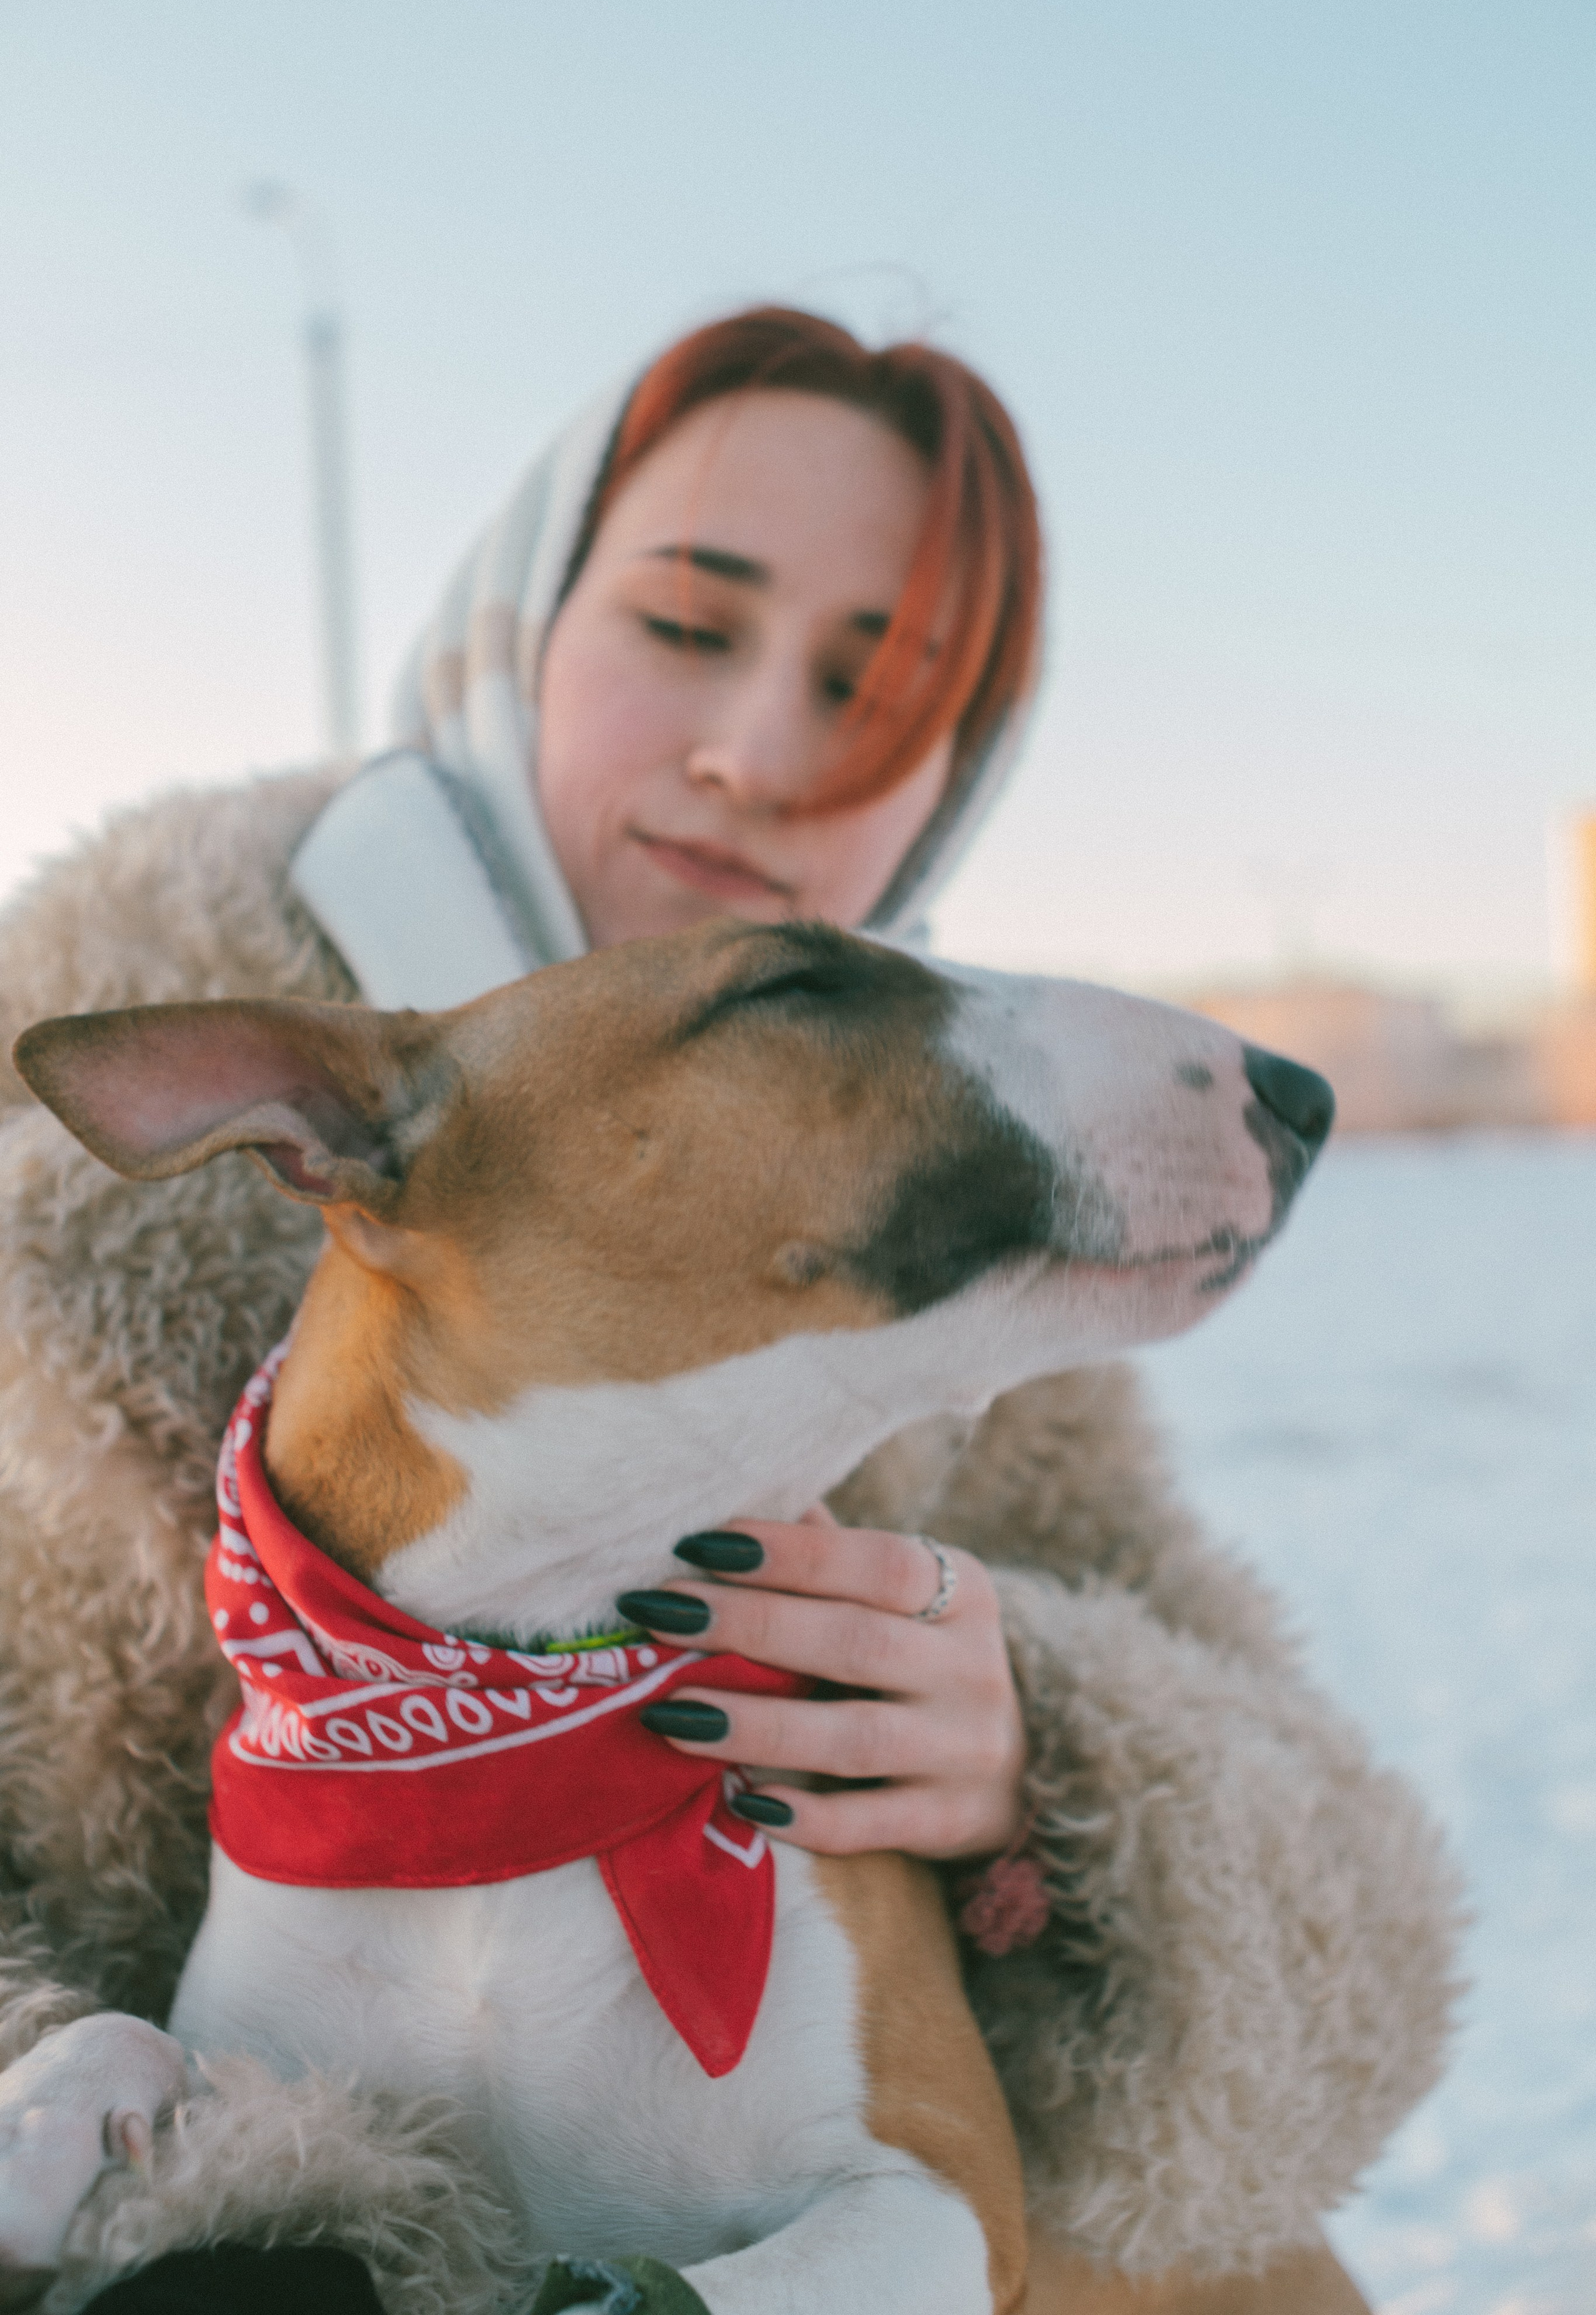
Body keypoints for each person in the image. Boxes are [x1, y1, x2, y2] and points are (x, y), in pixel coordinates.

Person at [0, 307, 1458, 2312]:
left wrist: (1074, 1770)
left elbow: (1342, 1968)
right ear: (519, 633)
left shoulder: (1007, 1326)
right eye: (692, 625)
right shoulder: (80, 1198)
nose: (754, 752)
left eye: (871, 693)